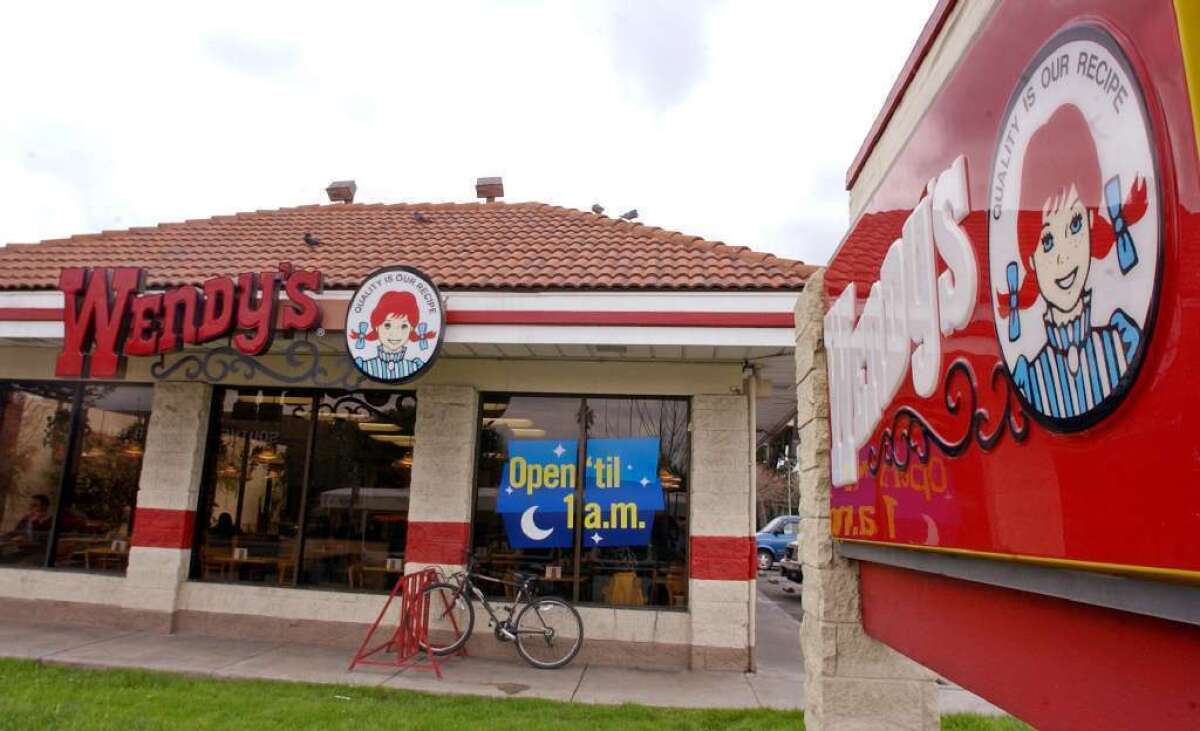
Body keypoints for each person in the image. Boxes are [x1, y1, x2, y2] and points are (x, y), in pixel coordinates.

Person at [997, 103, 1149, 419]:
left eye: (1075, 225)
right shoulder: (1029, 377)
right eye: (1048, 240)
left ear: (1093, 224)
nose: (1064, 255)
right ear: (1031, 260)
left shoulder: (1124, 338)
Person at [349, 291, 437, 381]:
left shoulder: (415, 366)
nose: (395, 333)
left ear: (411, 329)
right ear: (376, 326)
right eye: (387, 325)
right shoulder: (365, 365)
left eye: (403, 326)